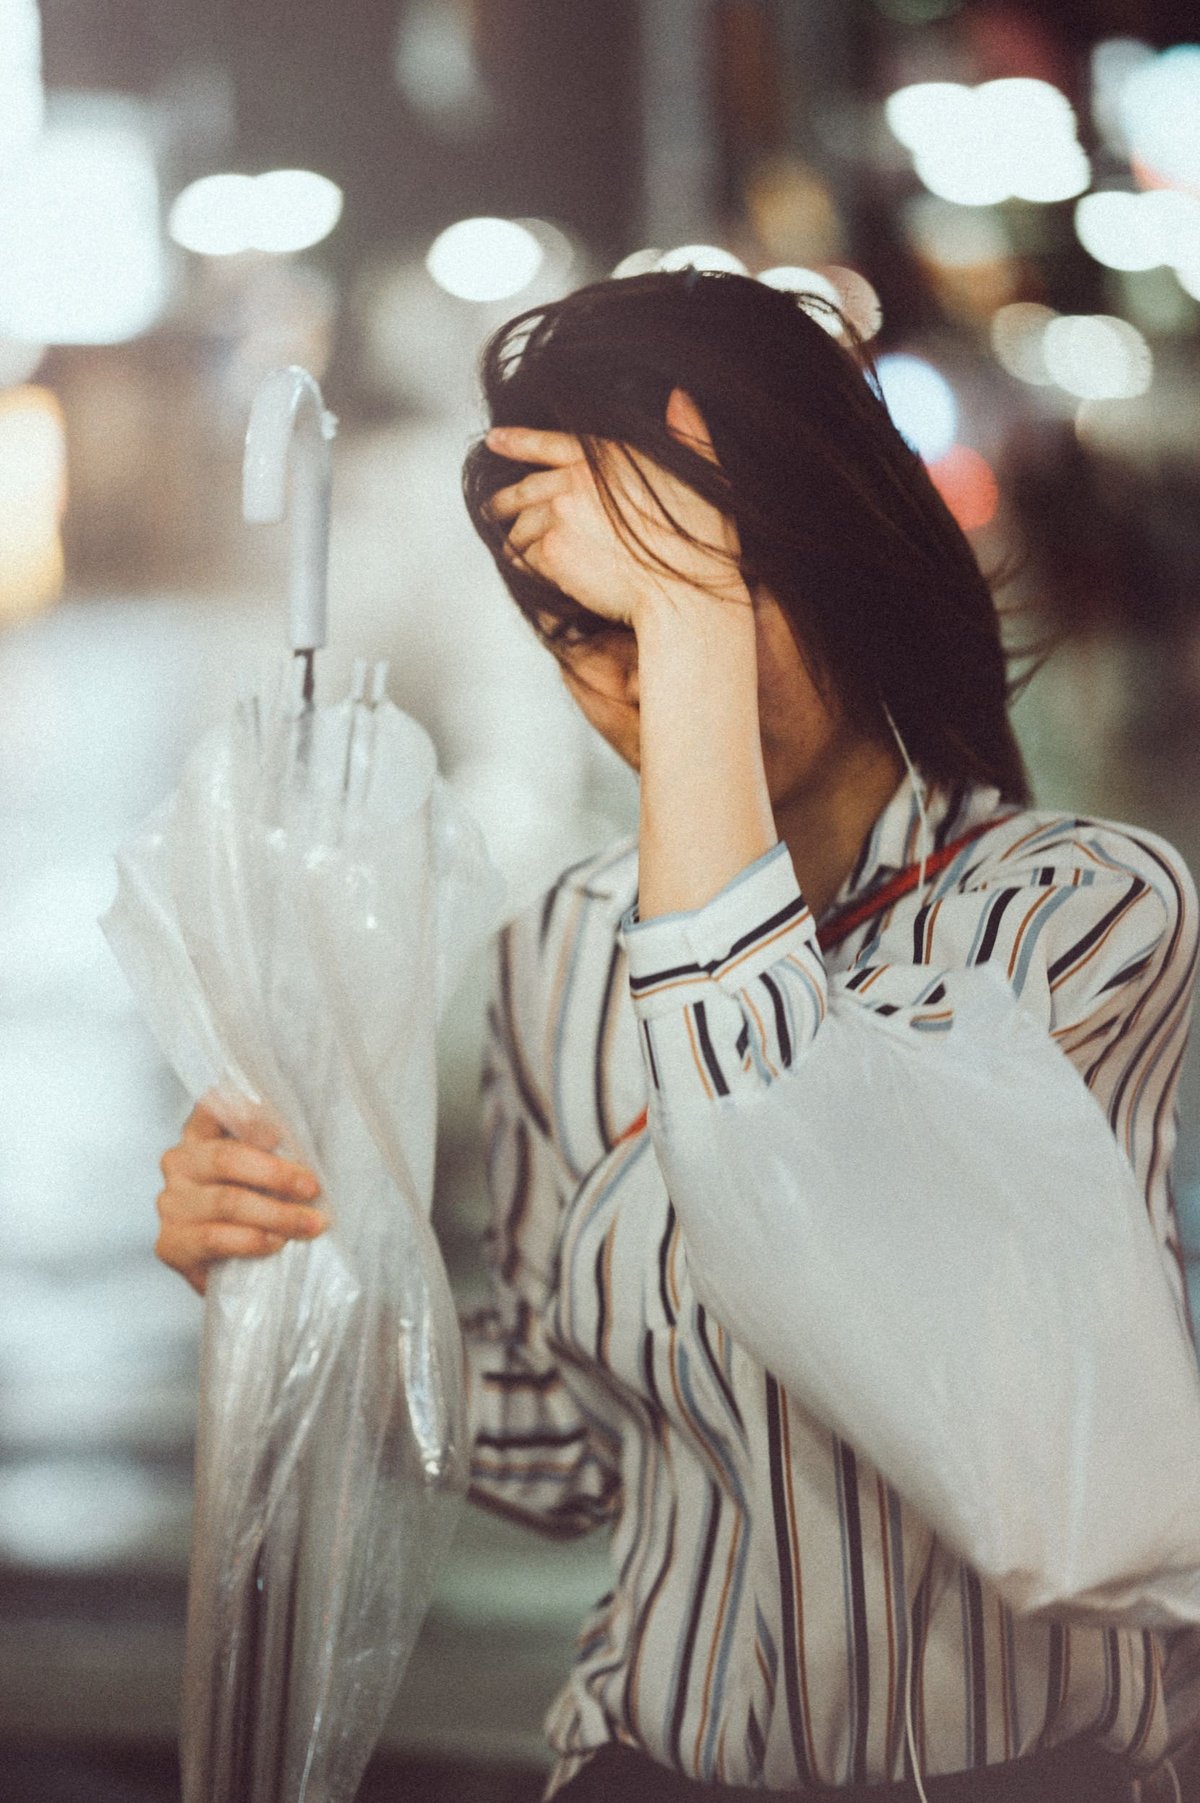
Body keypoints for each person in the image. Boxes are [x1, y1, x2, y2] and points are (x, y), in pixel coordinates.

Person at [155, 270, 1200, 1802]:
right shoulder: (563, 961)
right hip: (649, 1765)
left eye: (696, 596)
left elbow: (800, 1172)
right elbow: (568, 1456)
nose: (639, 683)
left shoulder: (1081, 914)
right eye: (584, 630)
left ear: (839, 554)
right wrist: (302, 1269)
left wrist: (684, 597)